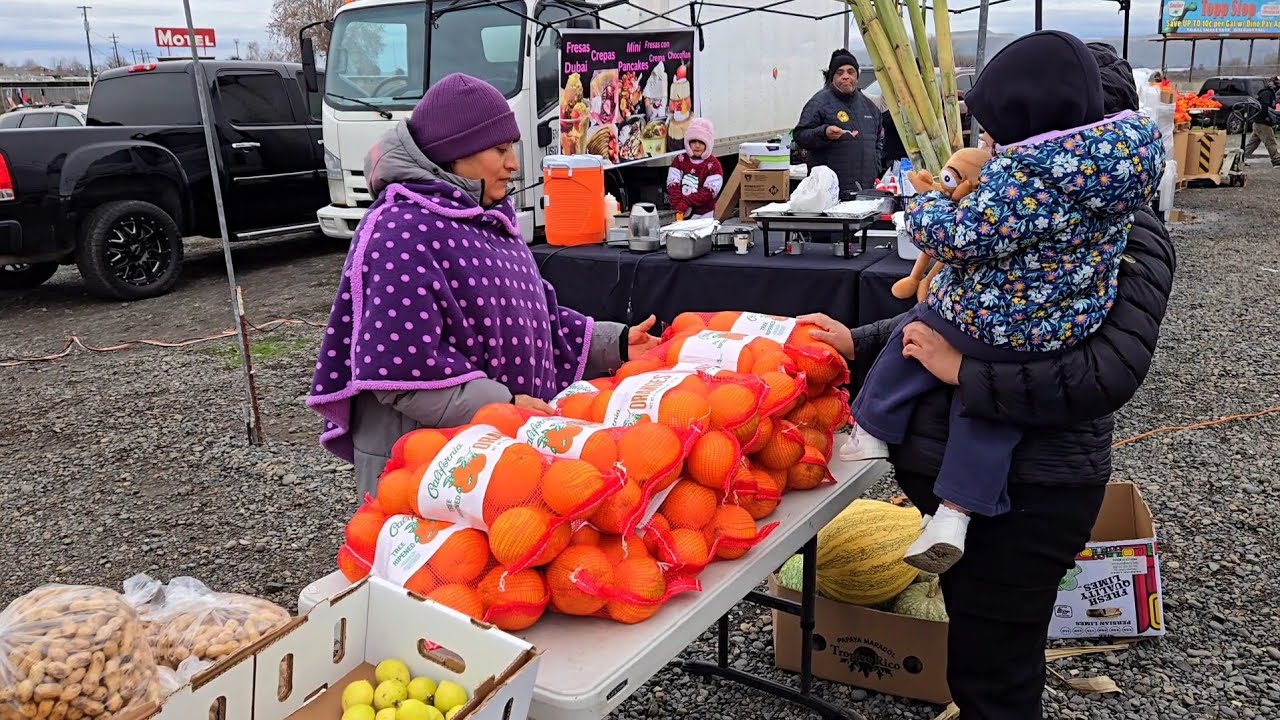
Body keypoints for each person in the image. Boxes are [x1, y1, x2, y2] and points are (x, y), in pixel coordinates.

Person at [798, 39, 1176, 719]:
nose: (994, 149)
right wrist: (857, 341)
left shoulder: (1128, 232)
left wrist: (964, 373)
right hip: (983, 487)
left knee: (994, 679)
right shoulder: (1035, 206)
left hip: (1029, 491)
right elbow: (962, 312)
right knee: (983, 658)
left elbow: (1103, 375)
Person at [837, 31, 1165, 573]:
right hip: (1042, 336)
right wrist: (856, 340)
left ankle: (871, 430)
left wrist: (924, 207)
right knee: (984, 418)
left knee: (916, 338)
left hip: (1034, 461)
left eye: (993, 130)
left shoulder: (1034, 179)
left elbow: (959, 238)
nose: (987, 141)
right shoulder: (1111, 184)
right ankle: (954, 515)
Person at [307, 73, 660, 497]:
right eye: (500, 150)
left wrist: (614, 343)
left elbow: (533, 318)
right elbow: (401, 373)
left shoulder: (488, 220)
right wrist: (504, 405)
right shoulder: (399, 232)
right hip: (424, 470)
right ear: (456, 152)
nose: (514, 164)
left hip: (494, 453)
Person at [793, 49, 884, 197]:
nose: (846, 76)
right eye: (840, 73)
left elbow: (879, 141)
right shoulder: (819, 103)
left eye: (850, 72)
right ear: (832, 77)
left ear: (857, 76)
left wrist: (876, 165)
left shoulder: (870, 107)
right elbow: (800, 136)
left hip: (864, 191)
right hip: (828, 192)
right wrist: (824, 133)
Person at [666, 117, 724, 219]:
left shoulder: (713, 165)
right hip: (681, 212)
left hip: (704, 215)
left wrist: (686, 201)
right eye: (693, 141)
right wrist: (677, 205)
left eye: (701, 142)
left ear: (708, 144)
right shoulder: (679, 160)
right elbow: (672, 184)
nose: (697, 146)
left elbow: (708, 192)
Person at [1244, 75, 1280, 167]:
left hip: (1258, 122)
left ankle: (1241, 158)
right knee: (1270, 141)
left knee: (1253, 144)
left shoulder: (1268, 92)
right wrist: (1268, 118)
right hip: (1263, 122)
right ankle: (1276, 160)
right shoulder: (1267, 93)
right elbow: (1264, 107)